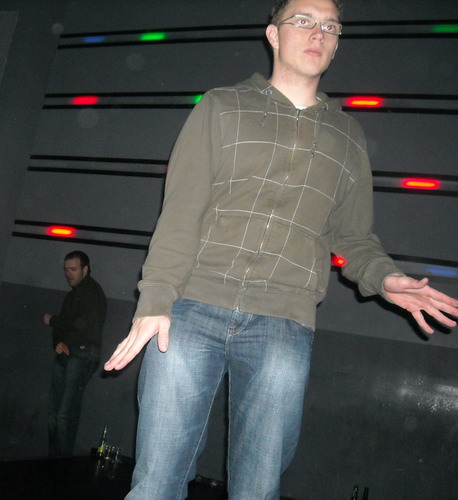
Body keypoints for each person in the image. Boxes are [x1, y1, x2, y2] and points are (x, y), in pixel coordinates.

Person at [104, 0, 458, 498]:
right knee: (156, 482)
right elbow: (181, 211)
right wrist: (156, 300)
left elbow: (354, 238)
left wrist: (384, 277)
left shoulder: (347, 136)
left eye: (330, 26)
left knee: (258, 489)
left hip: (282, 323)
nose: (319, 33)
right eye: (304, 20)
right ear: (273, 34)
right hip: (190, 309)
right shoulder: (222, 106)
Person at [43, 250, 107, 457]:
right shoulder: (72, 295)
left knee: (64, 414)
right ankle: (54, 459)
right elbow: (67, 325)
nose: (68, 273)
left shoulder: (91, 292)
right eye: (66, 269)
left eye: (73, 269)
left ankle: (61, 463)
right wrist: (58, 343)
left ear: (85, 270)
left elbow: (81, 325)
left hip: (82, 353)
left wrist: (52, 321)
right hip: (70, 352)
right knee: (54, 413)